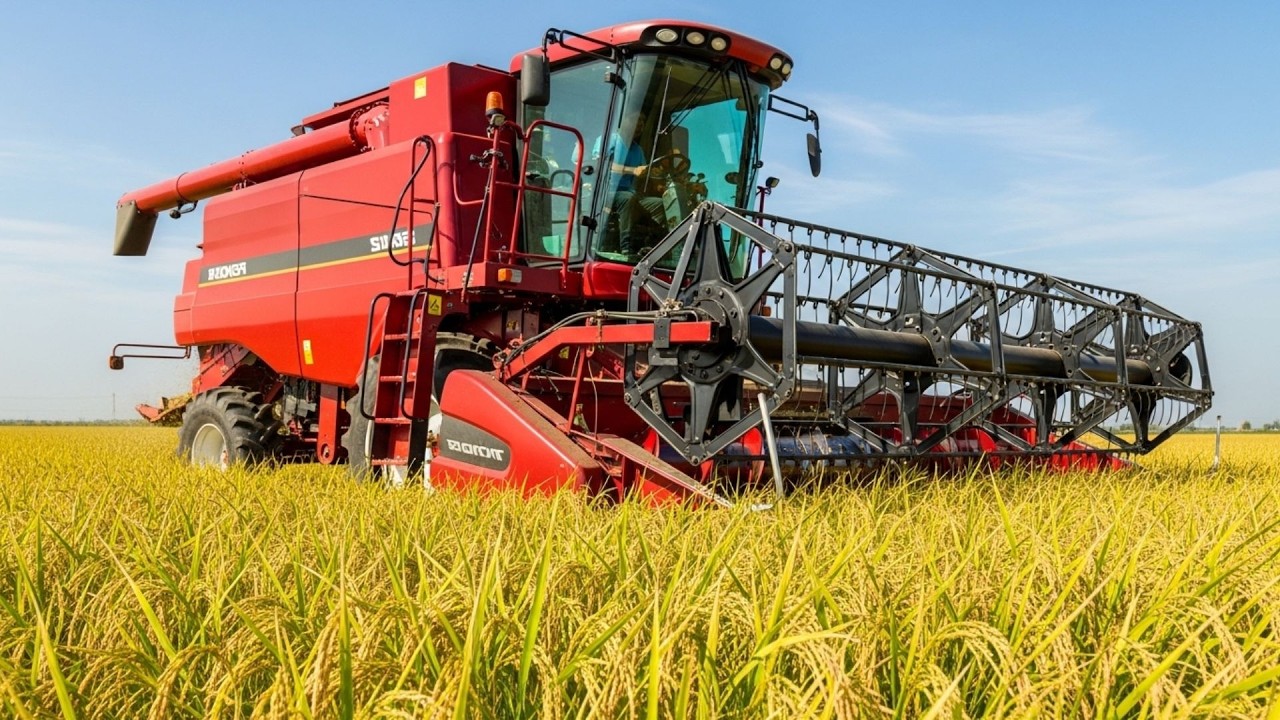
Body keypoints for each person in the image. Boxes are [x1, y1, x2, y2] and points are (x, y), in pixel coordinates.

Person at [594, 110, 668, 258]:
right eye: (637, 122)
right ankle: (626, 248)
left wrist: (656, 174)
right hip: (606, 192)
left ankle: (656, 247)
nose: (640, 126)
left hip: (631, 193)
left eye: (642, 123)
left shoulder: (637, 149)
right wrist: (632, 170)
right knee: (628, 199)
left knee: (661, 204)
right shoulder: (610, 140)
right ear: (625, 122)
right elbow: (601, 165)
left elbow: (642, 172)